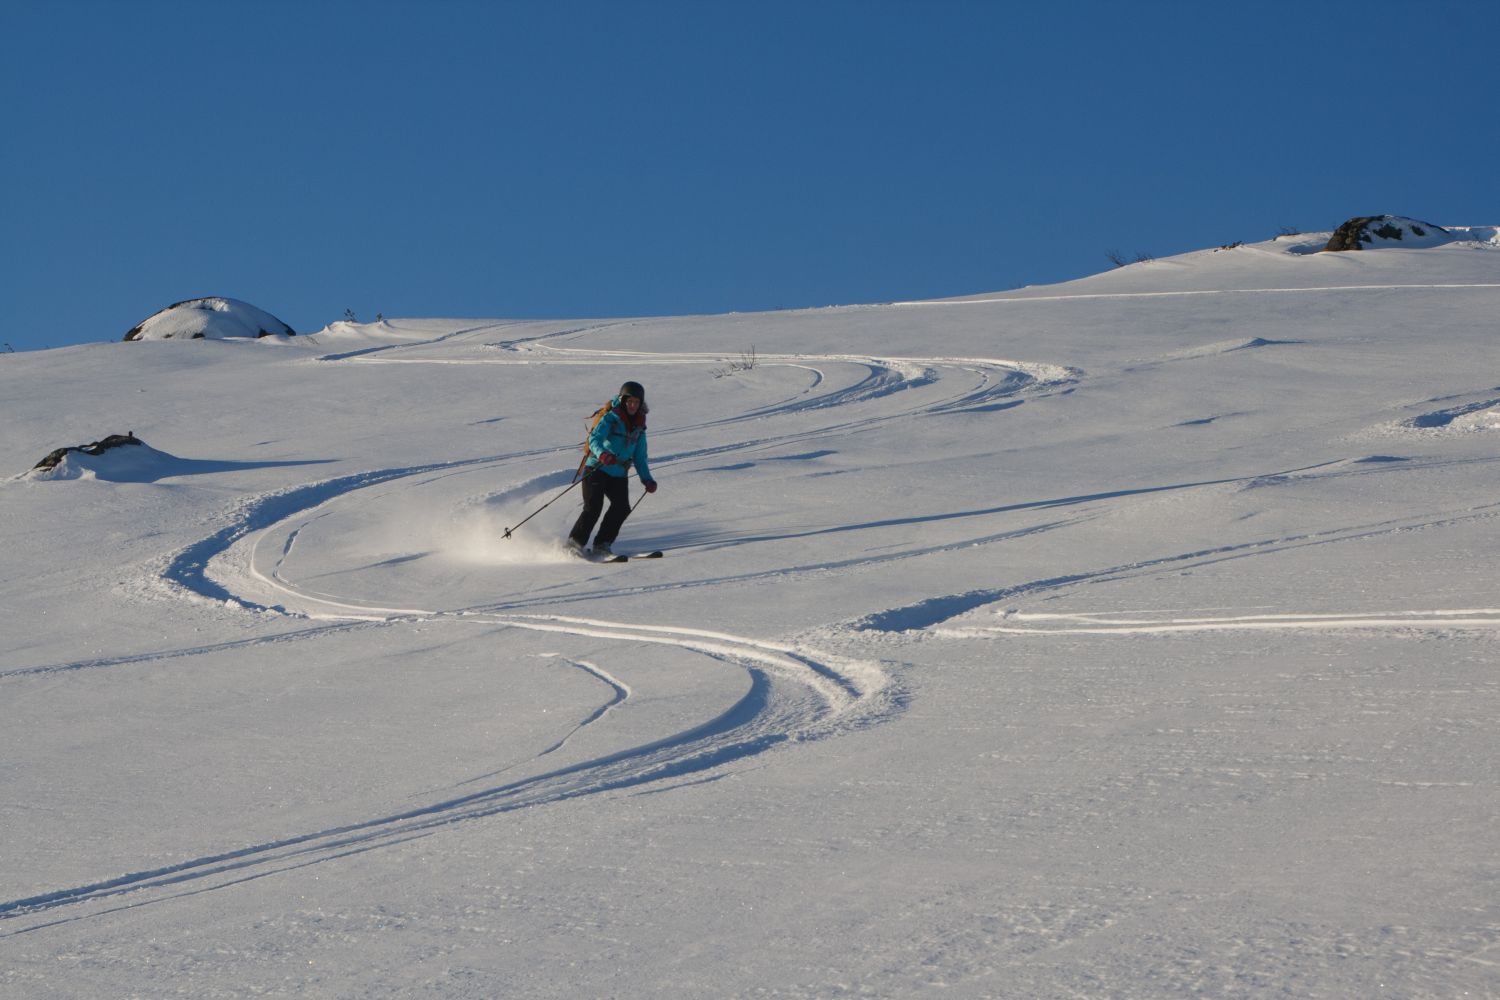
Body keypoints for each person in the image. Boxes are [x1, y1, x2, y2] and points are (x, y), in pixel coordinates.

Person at [568, 381, 657, 557]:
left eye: (636, 402)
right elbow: (594, 439)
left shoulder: (640, 428)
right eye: (629, 401)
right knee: (593, 507)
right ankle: (573, 545)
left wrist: (647, 479)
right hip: (597, 468)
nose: (633, 405)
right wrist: (603, 454)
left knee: (622, 508)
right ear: (623, 400)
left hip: (618, 474)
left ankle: (602, 545)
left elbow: (640, 458)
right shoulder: (611, 418)